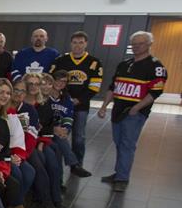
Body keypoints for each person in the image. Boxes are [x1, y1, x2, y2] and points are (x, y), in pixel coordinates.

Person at [98, 31, 168, 192]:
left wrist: (137, 107)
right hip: (118, 111)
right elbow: (112, 87)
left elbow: (155, 92)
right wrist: (103, 107)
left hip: (134, 113)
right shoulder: (124, 64)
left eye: (140, 43)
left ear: (149, 44)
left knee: (127, 145)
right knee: (119, 143)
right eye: (134, 44)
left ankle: (122, 178)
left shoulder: (156, 66)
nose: (136, 47)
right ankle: (118, 173)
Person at [51, 31, 102, 176]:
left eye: (81, 42)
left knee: (79, 137)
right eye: (75, 42)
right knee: (61, 134)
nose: (78, 45)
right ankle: (58, 167)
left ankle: (77, 165)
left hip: (81, 106)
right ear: (70, 43)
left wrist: (79, 99)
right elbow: (51, 78)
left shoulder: (94, 62)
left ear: (86, 44)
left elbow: (95, 86)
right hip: (60, 103)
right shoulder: (61, 60)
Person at [0, 78, 40, 208]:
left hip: (10, 153)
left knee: (30, 171)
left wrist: (18, 155)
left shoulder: (10, 113)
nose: (4, 96)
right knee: (17, 174)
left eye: (8, 93)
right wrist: (9, 157)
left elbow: (18, 137)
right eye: (1, 92)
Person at [16, 75, 61, 208]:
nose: (34, 86)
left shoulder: (41, 104)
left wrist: (40, 144)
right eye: (30, 84)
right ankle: (39, 199)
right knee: (40, 162)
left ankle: (50, 200)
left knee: (51, 158)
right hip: (19, 145)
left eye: (37, 83)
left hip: (35, 142)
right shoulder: (15, 104)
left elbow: (46, 128)